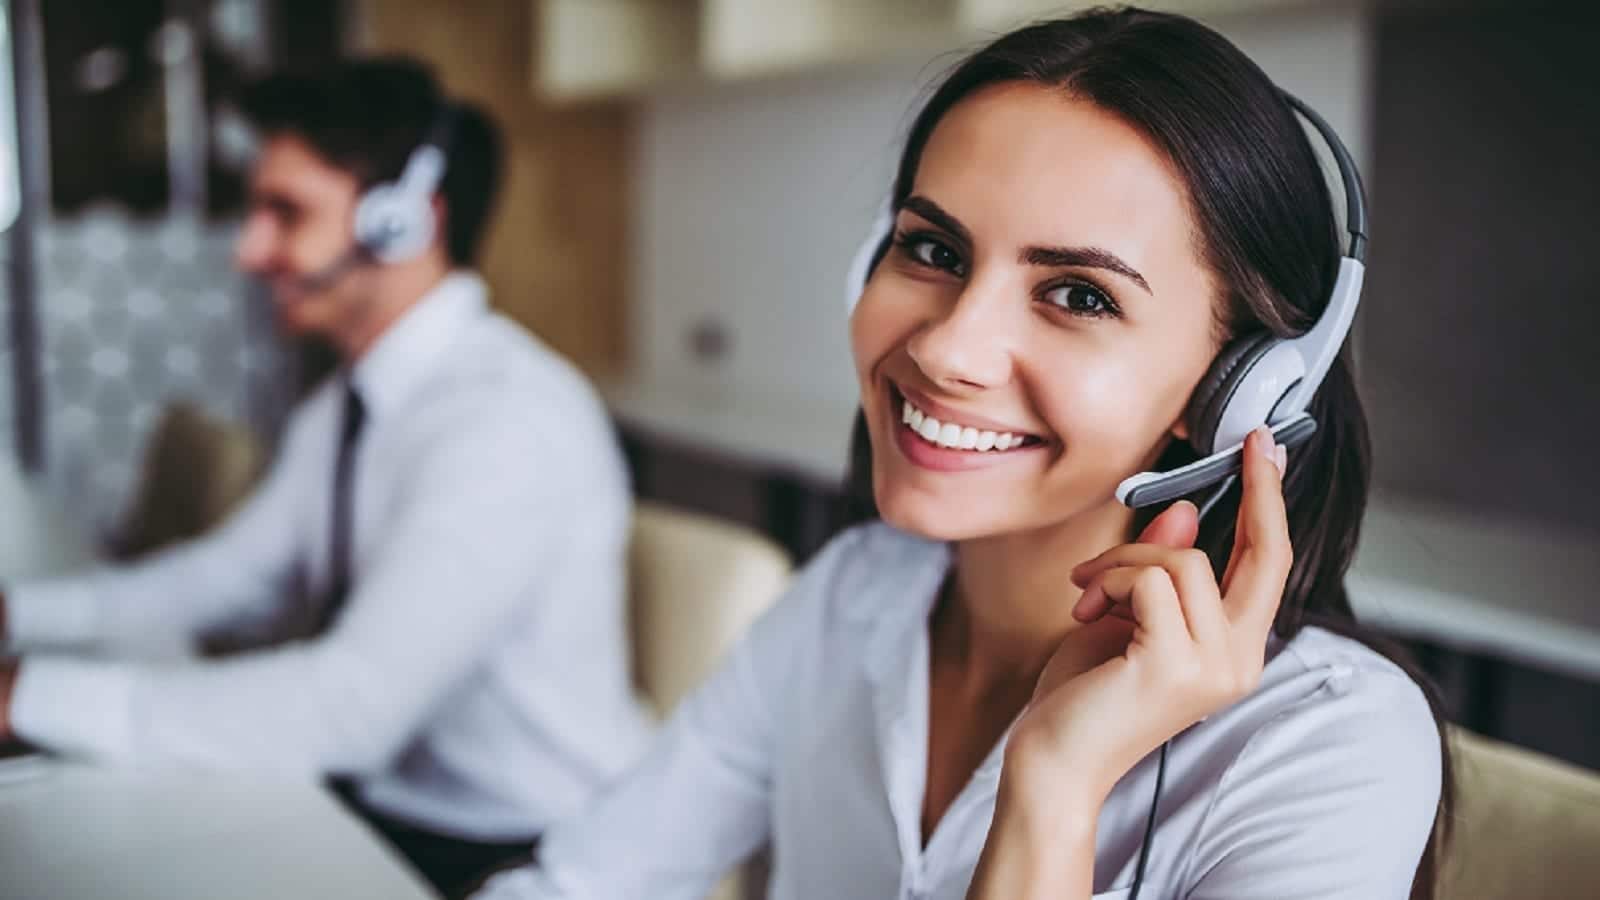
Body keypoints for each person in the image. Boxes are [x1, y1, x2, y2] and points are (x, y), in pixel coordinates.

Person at [474, 9, 1450, 900]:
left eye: (1078, 295)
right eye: (933, 251)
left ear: (1239, 392)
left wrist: (1055, 790)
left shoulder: (1329, 744)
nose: (944, 349)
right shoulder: (852, 599)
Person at [0, 58, 652, 898]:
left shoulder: (503, 424)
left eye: (286, 212)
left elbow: (347, 708)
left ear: (406, 222)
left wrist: (26, 700)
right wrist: (18, 617)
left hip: (520, 846)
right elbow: (228, 578)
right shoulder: (350, 401)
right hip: (388, 806)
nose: (248, 249)